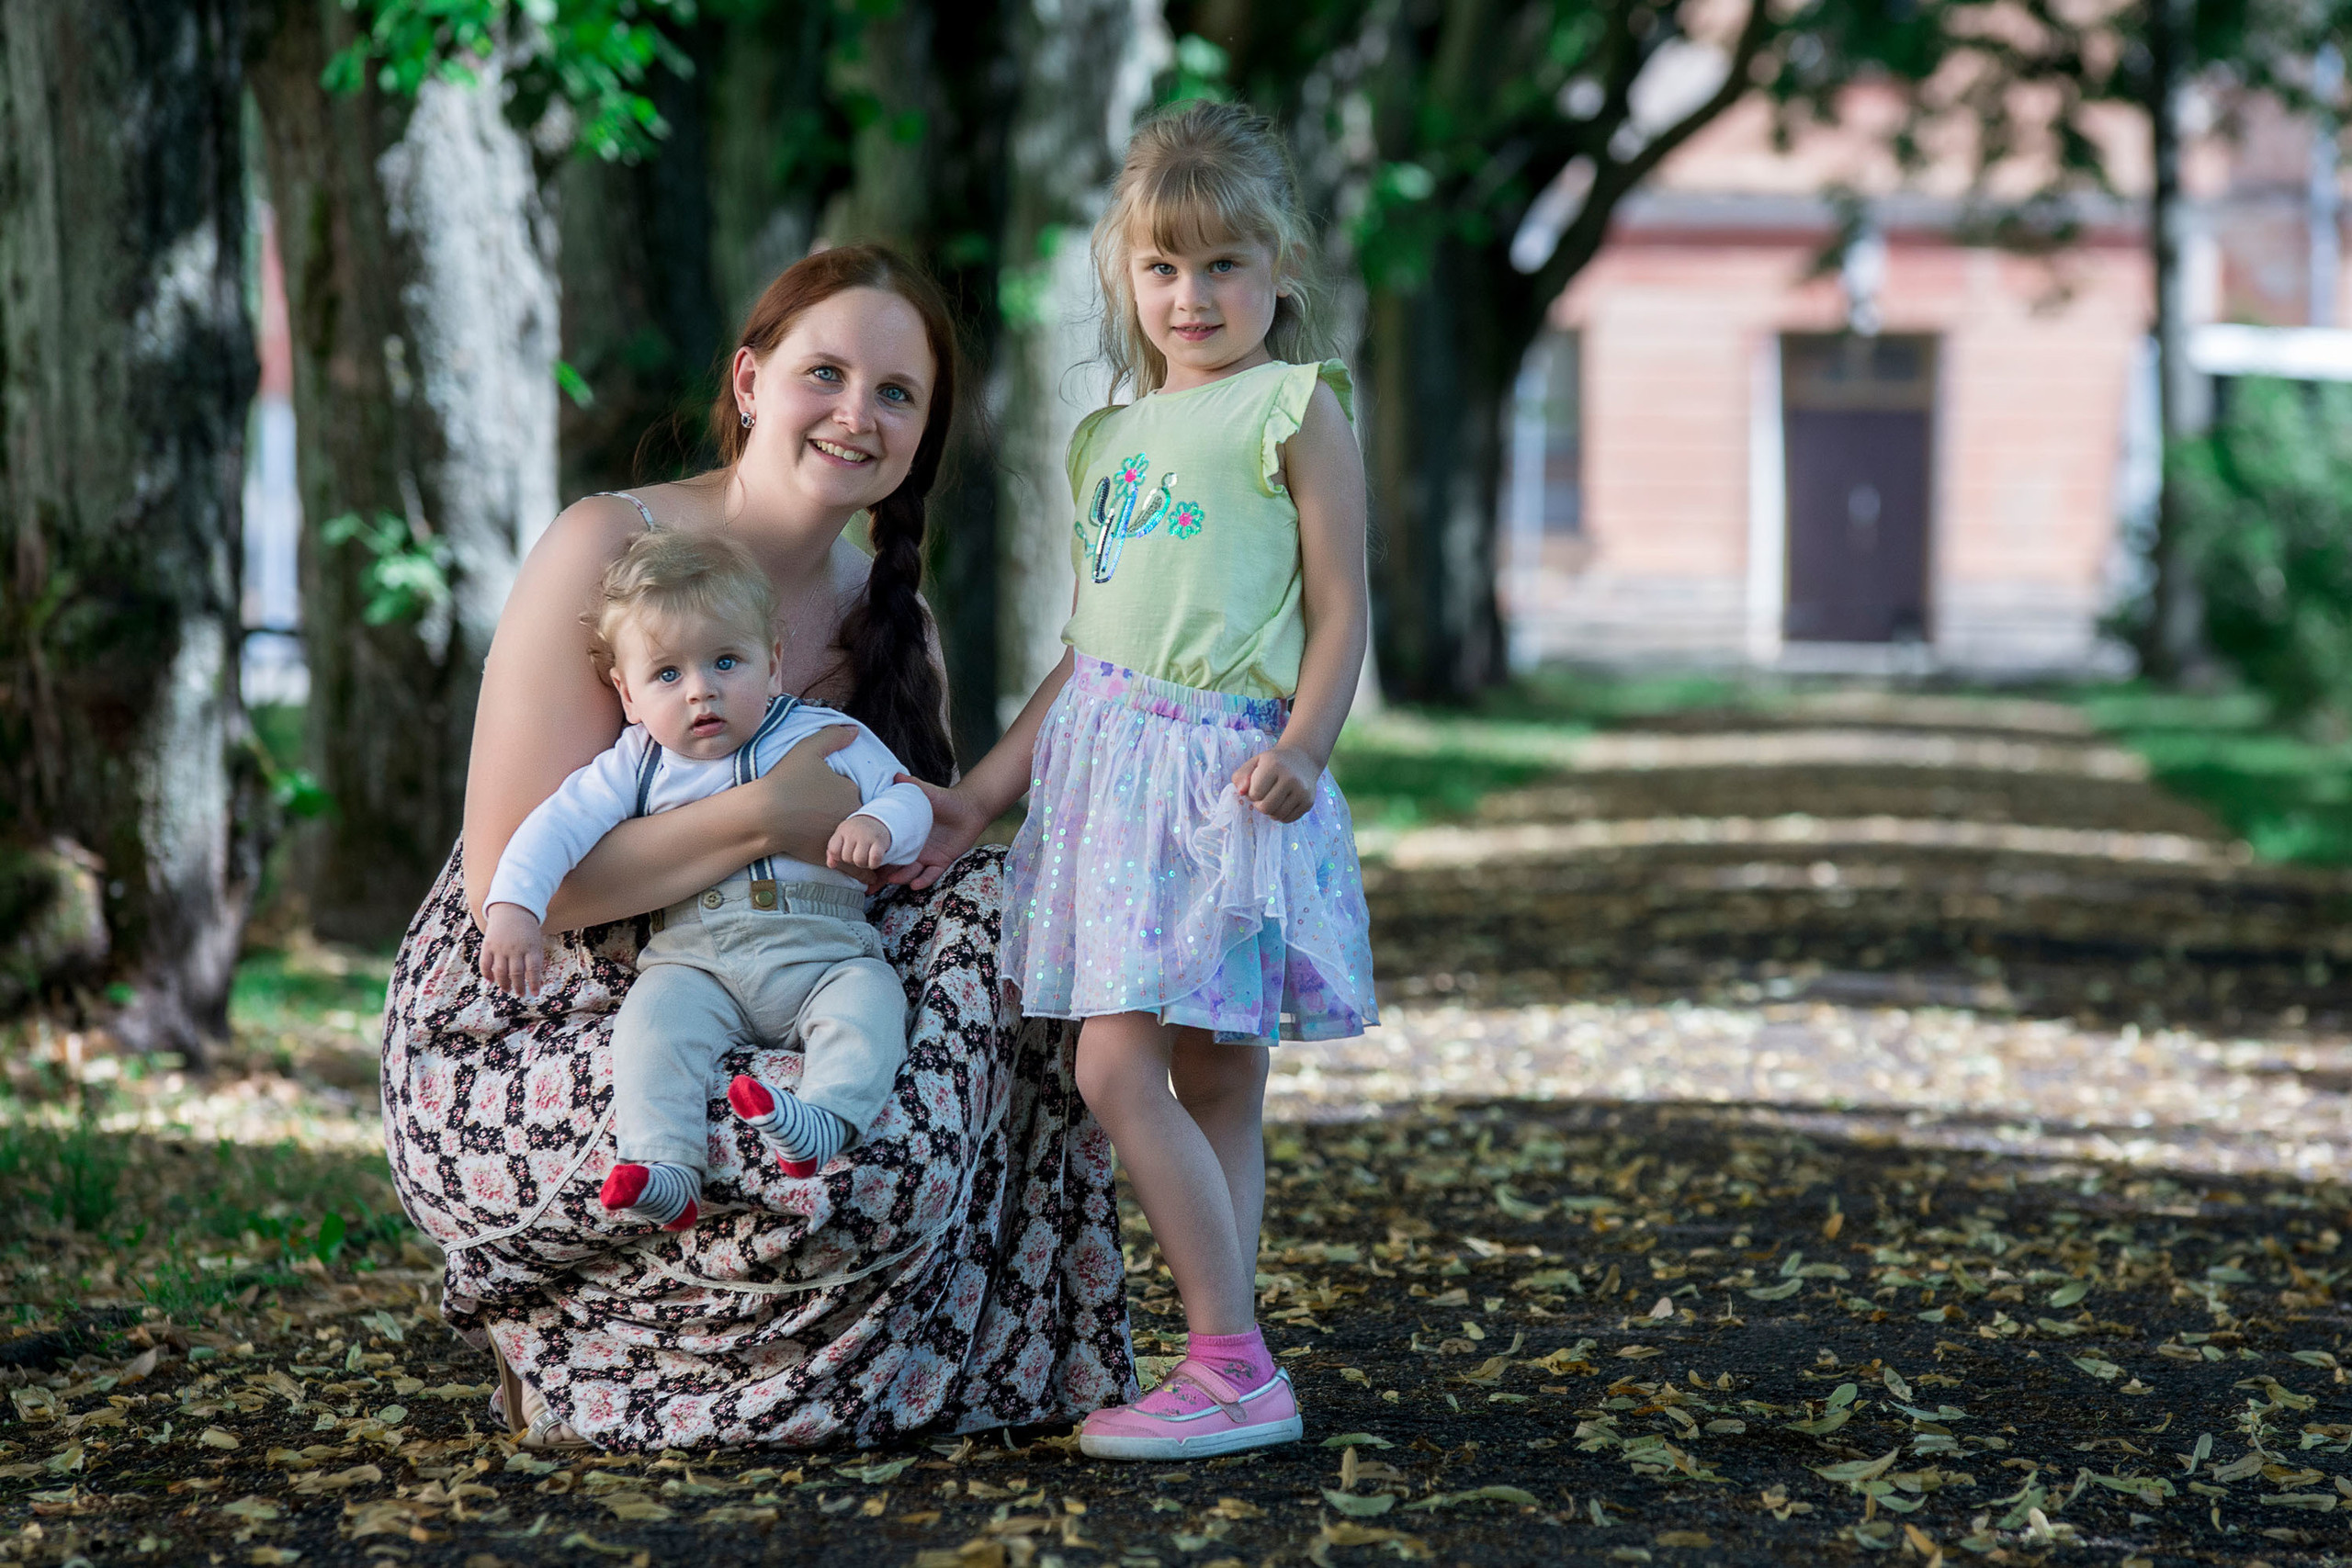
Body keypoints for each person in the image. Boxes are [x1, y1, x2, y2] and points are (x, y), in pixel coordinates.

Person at [379, 244, 1133, 1452]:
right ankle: (588, 1356)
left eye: (898, 393)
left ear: (924, 434)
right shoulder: (605, 550)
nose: (856, 412)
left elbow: (887, 863)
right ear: (747, 380)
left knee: (1004, 917)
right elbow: (510, 881)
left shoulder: (888, 614)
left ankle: (930, 1347)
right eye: (823, 371)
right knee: (712, 1116)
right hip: (546, 996)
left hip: (786, 965)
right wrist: (767, 815)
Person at [898, 101, 1377, 1461]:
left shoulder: (1296, 408)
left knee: (1181, 1070)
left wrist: (1306, 745)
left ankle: (1230, 1360)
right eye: (1162, 267)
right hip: (1110, 783)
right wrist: (981, 793)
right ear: (1126, 274)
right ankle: (1224, 1351)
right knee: (1158, 1063)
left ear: (1280, 266)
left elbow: (1341, 611)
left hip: (1224, 778)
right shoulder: (1108, 441)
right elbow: (1088, 656)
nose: (1192, 294)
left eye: (1224, 264)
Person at [476, 528, 933, 1233]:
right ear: (627, 695)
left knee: (870, 1006)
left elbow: (908, 797)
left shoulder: (825, 734)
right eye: (668, 675)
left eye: (726, 661)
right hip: (698, 963)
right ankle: (666, 1167)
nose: (702, 691)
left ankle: (825, 1119)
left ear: (774, 663)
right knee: (651, 1026)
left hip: (825, 953)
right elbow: (555, 826)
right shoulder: (636, 762)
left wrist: (882, 824)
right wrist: (514, 907)